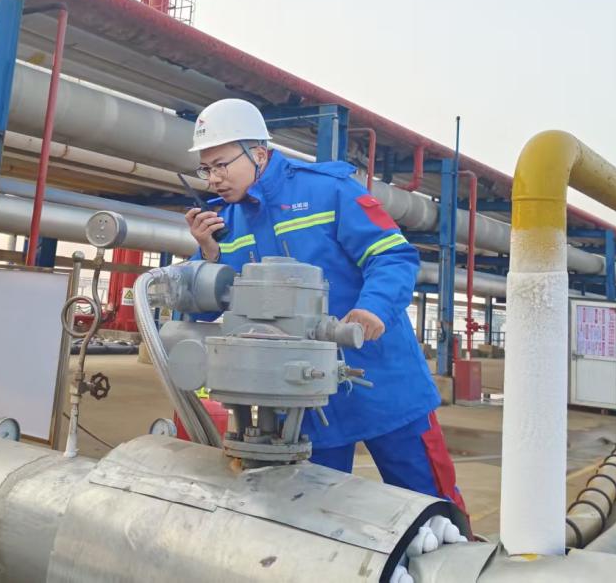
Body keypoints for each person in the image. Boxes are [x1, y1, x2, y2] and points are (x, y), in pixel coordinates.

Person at [184, 98, 466, 513]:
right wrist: (208, 256)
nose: (213, 179)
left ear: (258, 153)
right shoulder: (225, 224)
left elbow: (392, 256)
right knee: (312, 515)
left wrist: (373, 309)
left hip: (382, 377)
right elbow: (203, 311)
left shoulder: (328, 190)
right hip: (301, 398)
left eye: (221, 165)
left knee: (432, 504)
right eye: (205, 169)